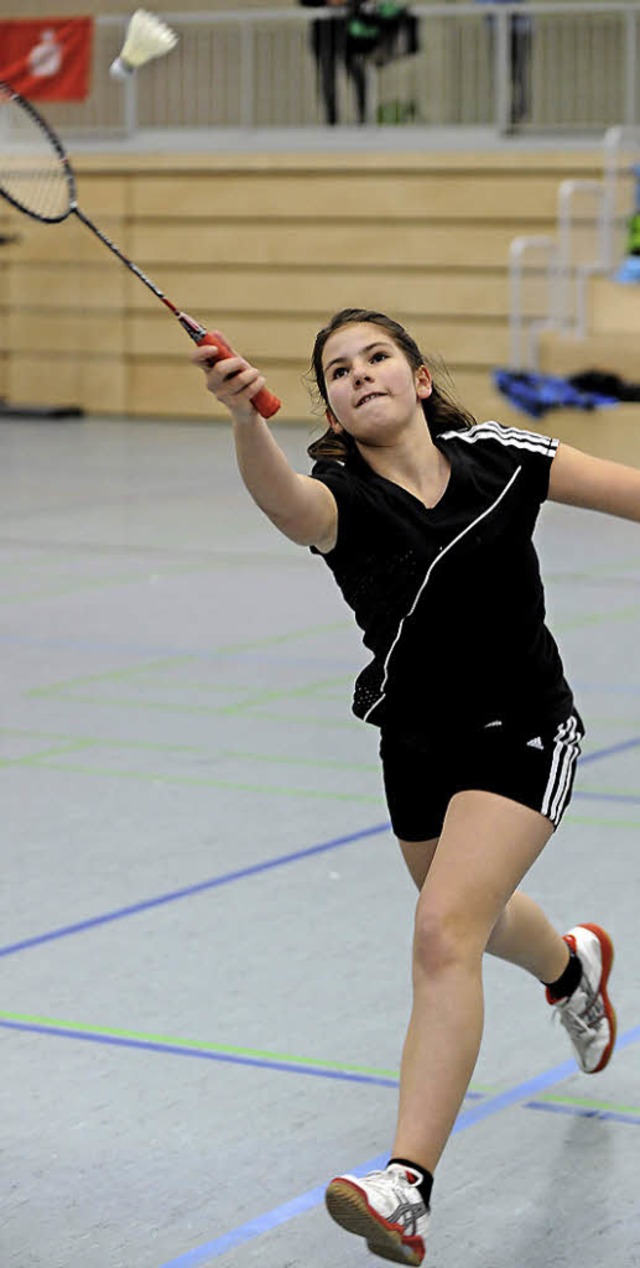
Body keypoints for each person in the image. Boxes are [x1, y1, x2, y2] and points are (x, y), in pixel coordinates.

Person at [192, 307, 633, 1265]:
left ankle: (407, 1186)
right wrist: (243, 421)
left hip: (525, 727)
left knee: (443, 932)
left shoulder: (499, 456)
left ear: (420, 376)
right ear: (335, 412)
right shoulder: (339, 493)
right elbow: (286, 507)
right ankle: (569, 967)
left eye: (377, 357)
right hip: (416, 744)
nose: (360, 375)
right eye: (338, 372)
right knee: (466, 911)